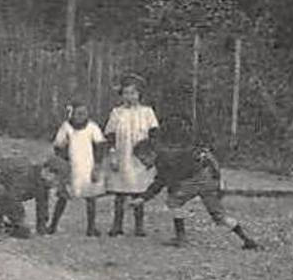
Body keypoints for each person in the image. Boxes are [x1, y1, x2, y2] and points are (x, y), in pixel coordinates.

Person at [135, 129, 259, 250]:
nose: (143, 163)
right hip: (209, 177)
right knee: (218, 215)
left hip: (198, 178)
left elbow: (161, 181)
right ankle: (247, 239)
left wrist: (143, 197)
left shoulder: (164, 159)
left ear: (151, 154)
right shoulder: (171, 154)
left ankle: (181, 238)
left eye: (143, 160)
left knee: (173, 201)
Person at [102, 73, 158, 237]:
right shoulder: (117, 113)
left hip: (140, 158)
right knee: (120, 192)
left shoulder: (147, 112)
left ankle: (139, 227)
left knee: (139, 191)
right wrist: (112, 155)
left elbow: (154, 134)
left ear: (139, 94)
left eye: (133, 93)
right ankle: (117, 225)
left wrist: (151, 155)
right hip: (122, 156)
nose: (129, 96)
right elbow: (110, 136)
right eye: (126, 93)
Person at [48, 100, 106, 235]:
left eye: (84, 113)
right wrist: (63, 163)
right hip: (70, 167)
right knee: (63, 196)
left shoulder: (92, 127)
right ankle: (53, 225)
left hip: (87, 166)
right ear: (71, 114)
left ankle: (91, 227)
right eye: (78, 113)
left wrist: (97, 165)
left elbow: (100, 147)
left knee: (91, 197)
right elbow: (58, 146)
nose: (81, 116)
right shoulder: (66, 127)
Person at [0, 160, 61, 240]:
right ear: (46, 170)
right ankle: (1, 227)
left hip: (11, 198)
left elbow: (42, 205)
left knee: (24, 233)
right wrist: (11, 218)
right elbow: (5, 197)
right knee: (3, 196)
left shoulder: (43, 182)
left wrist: (41, 229)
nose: (53, 181)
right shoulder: (25, 173)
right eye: (54, 177)